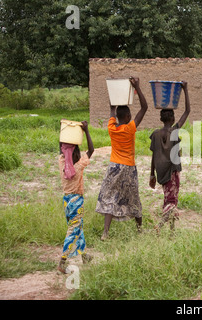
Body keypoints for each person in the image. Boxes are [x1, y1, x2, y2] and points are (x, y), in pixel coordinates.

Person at [96, 77, 148, 240]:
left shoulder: (112, 128)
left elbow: (112, 110)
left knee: (110, 196)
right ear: (127, 117)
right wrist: (137, 88)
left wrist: (115, 95)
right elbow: (145, 108)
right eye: (130, 115)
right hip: (129, 168)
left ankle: (105, 232)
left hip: (114, 167)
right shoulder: (130, 128)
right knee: (134, 197)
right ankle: (140, 230)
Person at [150, 81, 190, 235]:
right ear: (173, 118)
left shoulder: (155, 134)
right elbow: (187, 110)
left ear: (161, 118)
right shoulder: (174, 131)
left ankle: (172, 232)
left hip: (161, 171)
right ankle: (159, 227)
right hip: (172, 171)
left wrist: (151, 174)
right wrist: (185, 90)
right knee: (172, 201)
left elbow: (153, 155)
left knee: (169, 198)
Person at [58, 121, 94, 274]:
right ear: (77, 153)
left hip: (67, 201)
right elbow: (91, 149)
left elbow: (63, 147)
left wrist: (66, 132)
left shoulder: (61, 162)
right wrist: (86, 131)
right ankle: (62, 262)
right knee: (73, 230)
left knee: (77, 228)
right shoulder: (79, 165)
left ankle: (84, 256)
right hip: (77, 201)